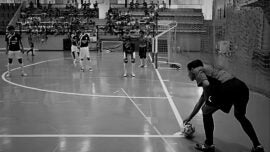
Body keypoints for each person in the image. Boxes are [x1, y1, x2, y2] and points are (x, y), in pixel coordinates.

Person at [183, 59, 264, 152]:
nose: (188, 74)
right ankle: (258, 146)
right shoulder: (211, 72)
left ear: (192, 69)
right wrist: (190, 117)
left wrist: (204, 81)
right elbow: (202, 100)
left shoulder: (198, 72)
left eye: (188, 71)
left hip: (227, 87)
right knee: (240, 116)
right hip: (241, 86)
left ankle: (208, 145)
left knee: (206, 111)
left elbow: (206, 85)